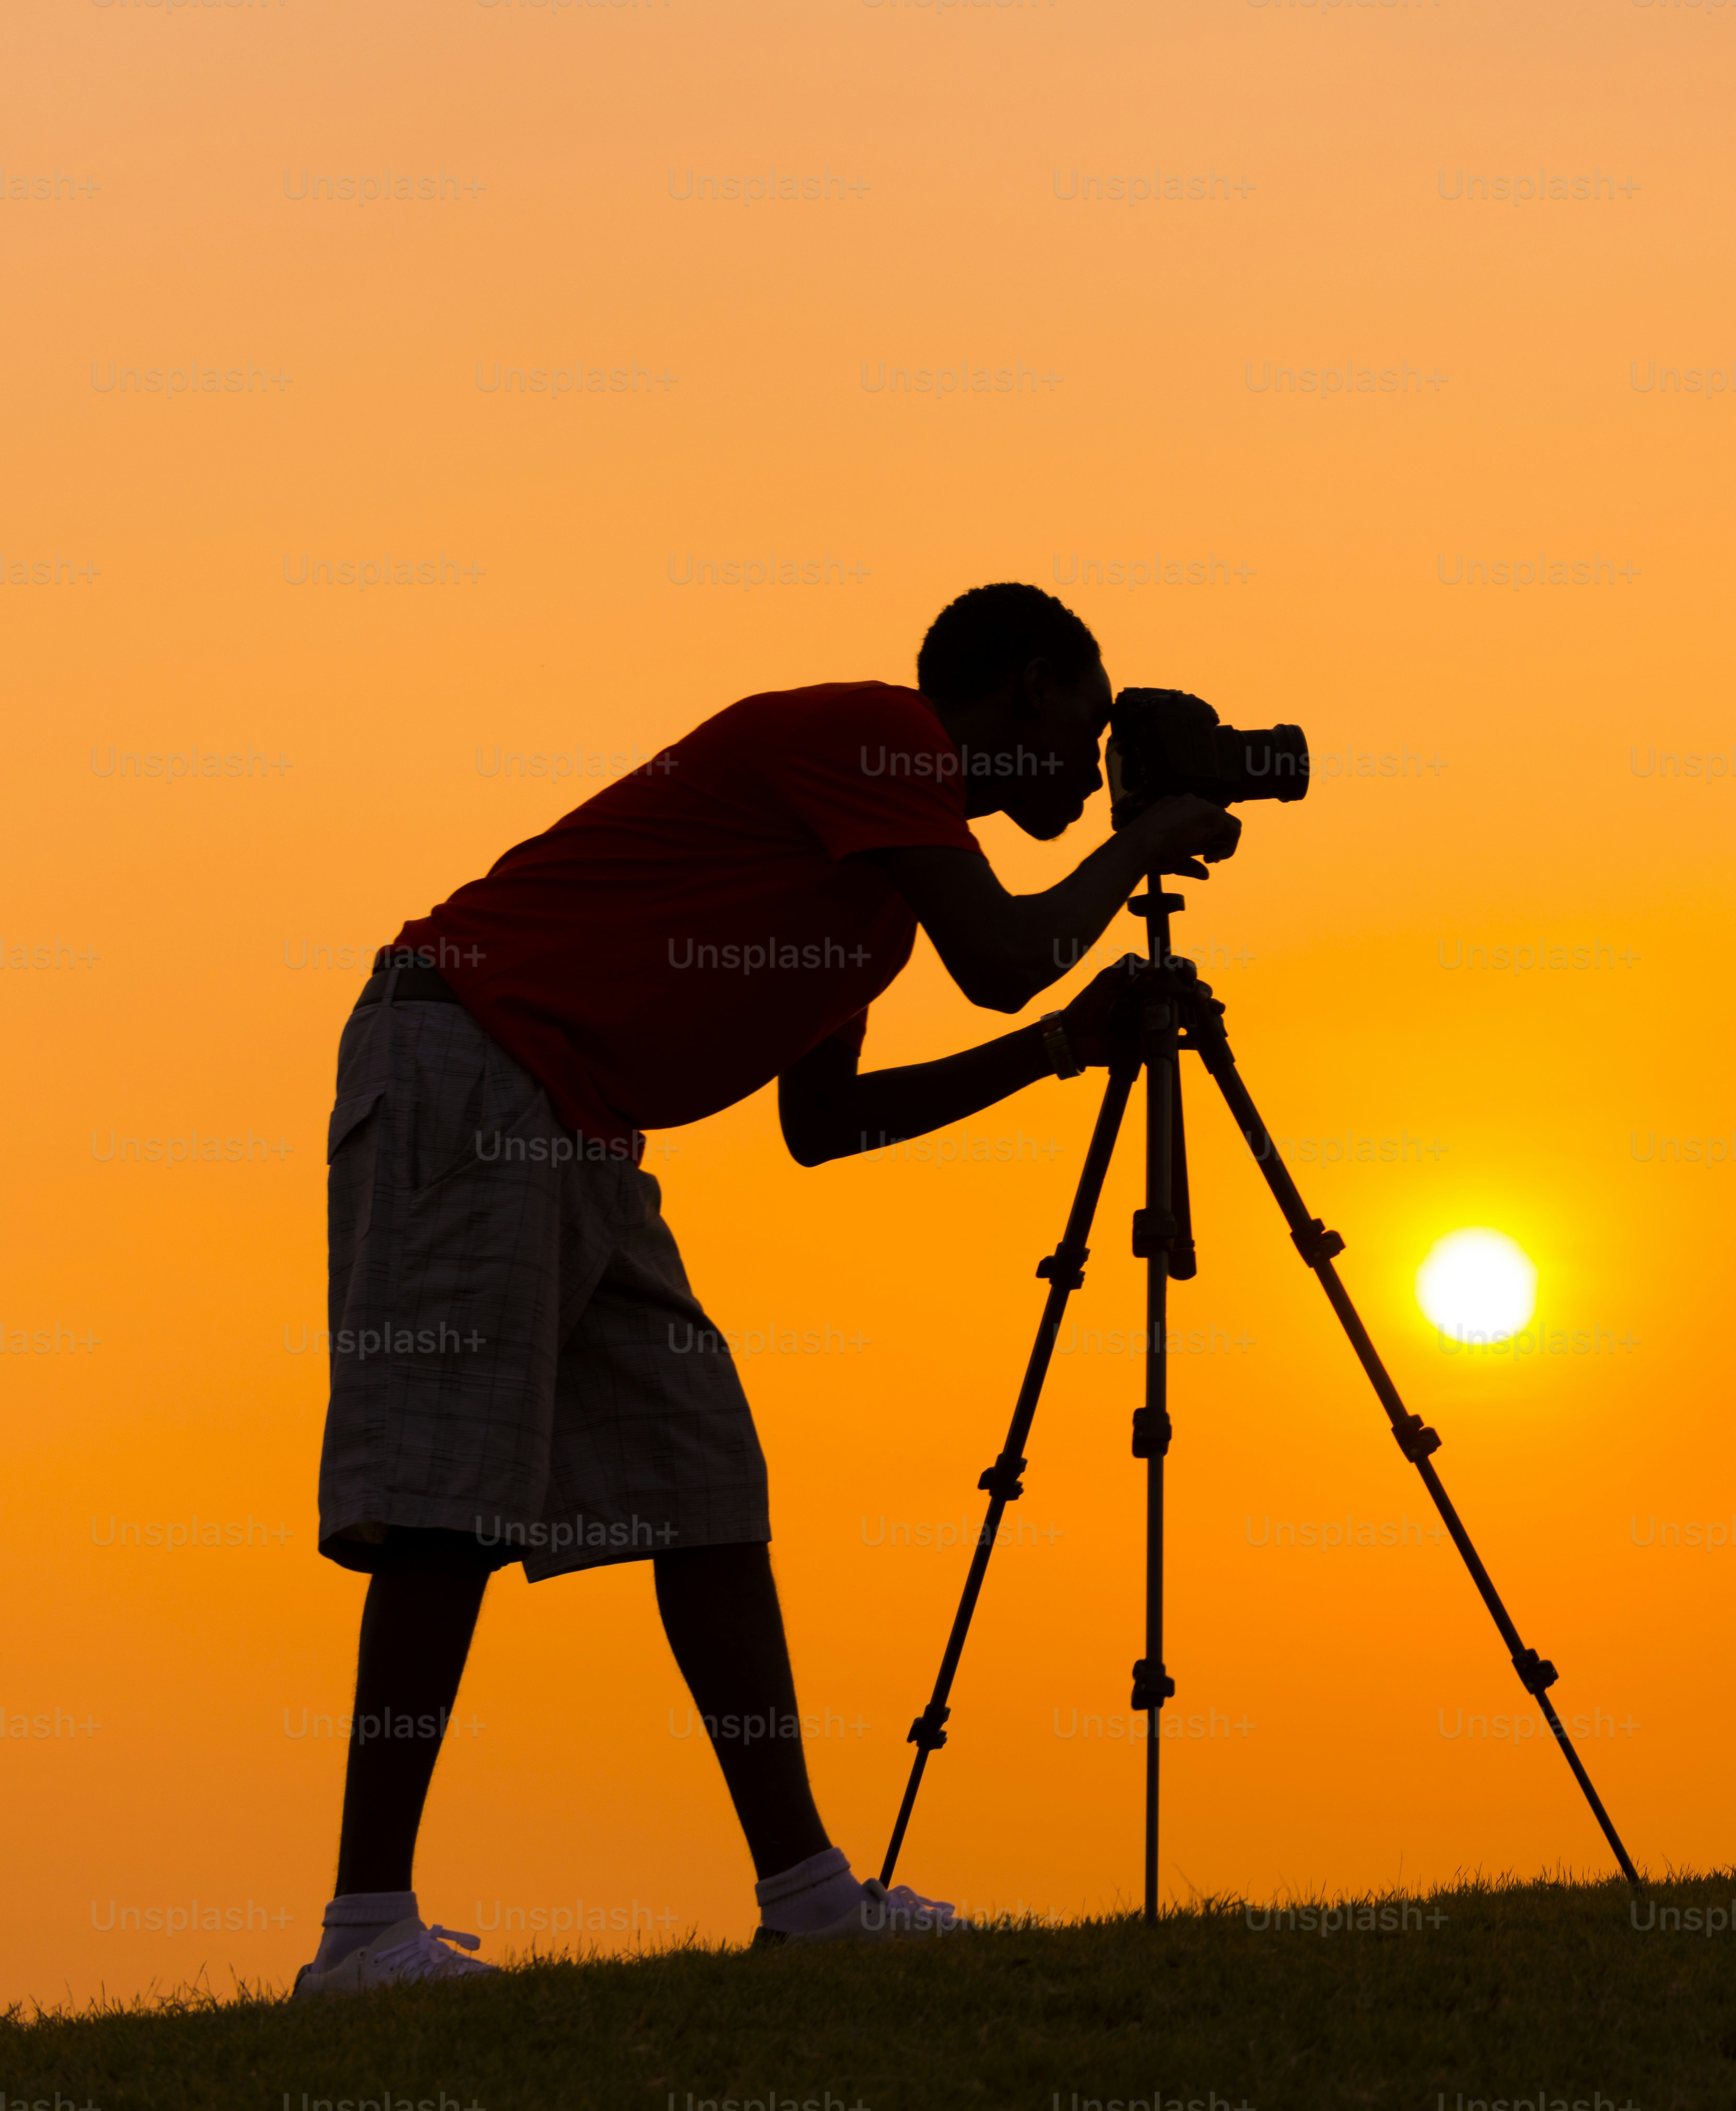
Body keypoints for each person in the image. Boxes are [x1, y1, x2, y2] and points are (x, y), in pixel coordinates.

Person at [292, 583, 1236, 1995]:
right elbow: (1006, 964)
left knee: (704, 1487)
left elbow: (826, 1123)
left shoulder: (876, 897)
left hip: (578, 1122)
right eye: (1088, 732)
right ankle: (363, 1933)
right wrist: (1143, 856)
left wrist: (1061, 1053)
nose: (1095, 776)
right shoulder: (883, 738)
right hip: (475, 1061)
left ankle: (807, 1897)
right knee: (443, 1505)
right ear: (1032, 688)